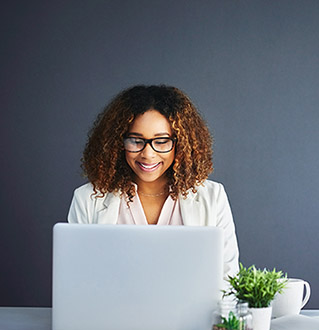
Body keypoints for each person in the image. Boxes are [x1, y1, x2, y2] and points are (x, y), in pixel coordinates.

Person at [68, 84, 239, 277]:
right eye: (135, 140)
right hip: (112, 307)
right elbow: (77, 277)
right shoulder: (87, 199)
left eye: (161, 141)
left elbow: (228, 278)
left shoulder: (213, 197)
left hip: (193, 308)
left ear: (180, 144)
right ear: (117, 143)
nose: (148, 154)